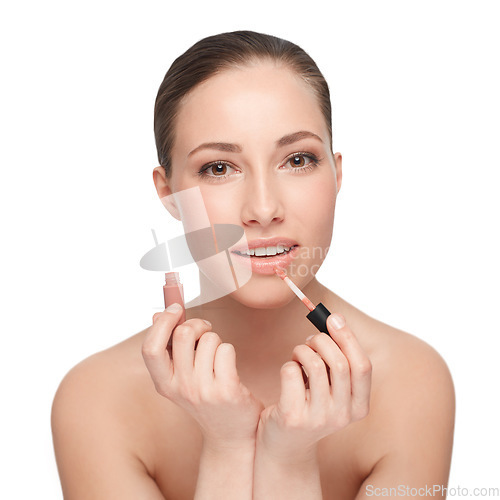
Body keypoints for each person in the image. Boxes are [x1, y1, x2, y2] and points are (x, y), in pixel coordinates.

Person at [51, 30, 455, 499]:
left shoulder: (410, 383)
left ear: (337, 172)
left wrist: (289, 458)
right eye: (219, 168)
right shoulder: (96, 401)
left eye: (298, 159)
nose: (263, 209)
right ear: (168, 191)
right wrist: (227, 446)